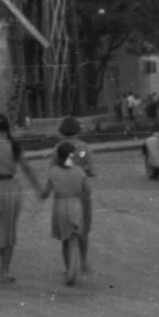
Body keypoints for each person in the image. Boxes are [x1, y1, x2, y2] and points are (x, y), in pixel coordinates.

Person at [0, 114, 39, 283]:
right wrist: (38, 188)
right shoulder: (13, 146)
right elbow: (27, 168)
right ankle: (5, 270)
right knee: (9, 229)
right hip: (11, 187)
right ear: (7, 129)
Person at [40, 140, 91, 286]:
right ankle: (73, 269)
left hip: (60, 206)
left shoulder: (53, 172)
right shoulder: (79, 171)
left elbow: (46, 192)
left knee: (65, 239)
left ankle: (69, 268)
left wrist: (41, 194)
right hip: (75, 204)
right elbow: (87, 190)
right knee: (74, 237)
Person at [56, 116, 98, 272]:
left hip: (64, 194)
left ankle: (68, 267)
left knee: (66, 233)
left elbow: (53, 169)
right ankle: (84, 261)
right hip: (81, 192)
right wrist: (85, 170)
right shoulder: (85, 148)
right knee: (84, 228)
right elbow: (92, 171)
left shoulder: (58, 149)